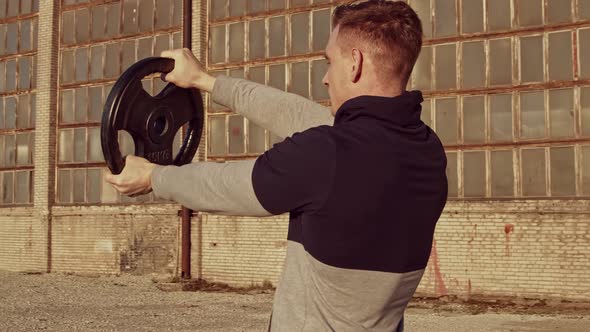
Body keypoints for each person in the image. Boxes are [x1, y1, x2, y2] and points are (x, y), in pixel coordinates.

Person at [106, 0, 448, 330]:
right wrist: (206, 82)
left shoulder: (326, 155)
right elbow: (300, 116)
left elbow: (227, 186)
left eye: (329, 62)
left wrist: (154, 177)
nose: (326, 79)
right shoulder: (427, 150)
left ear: (355, 63)